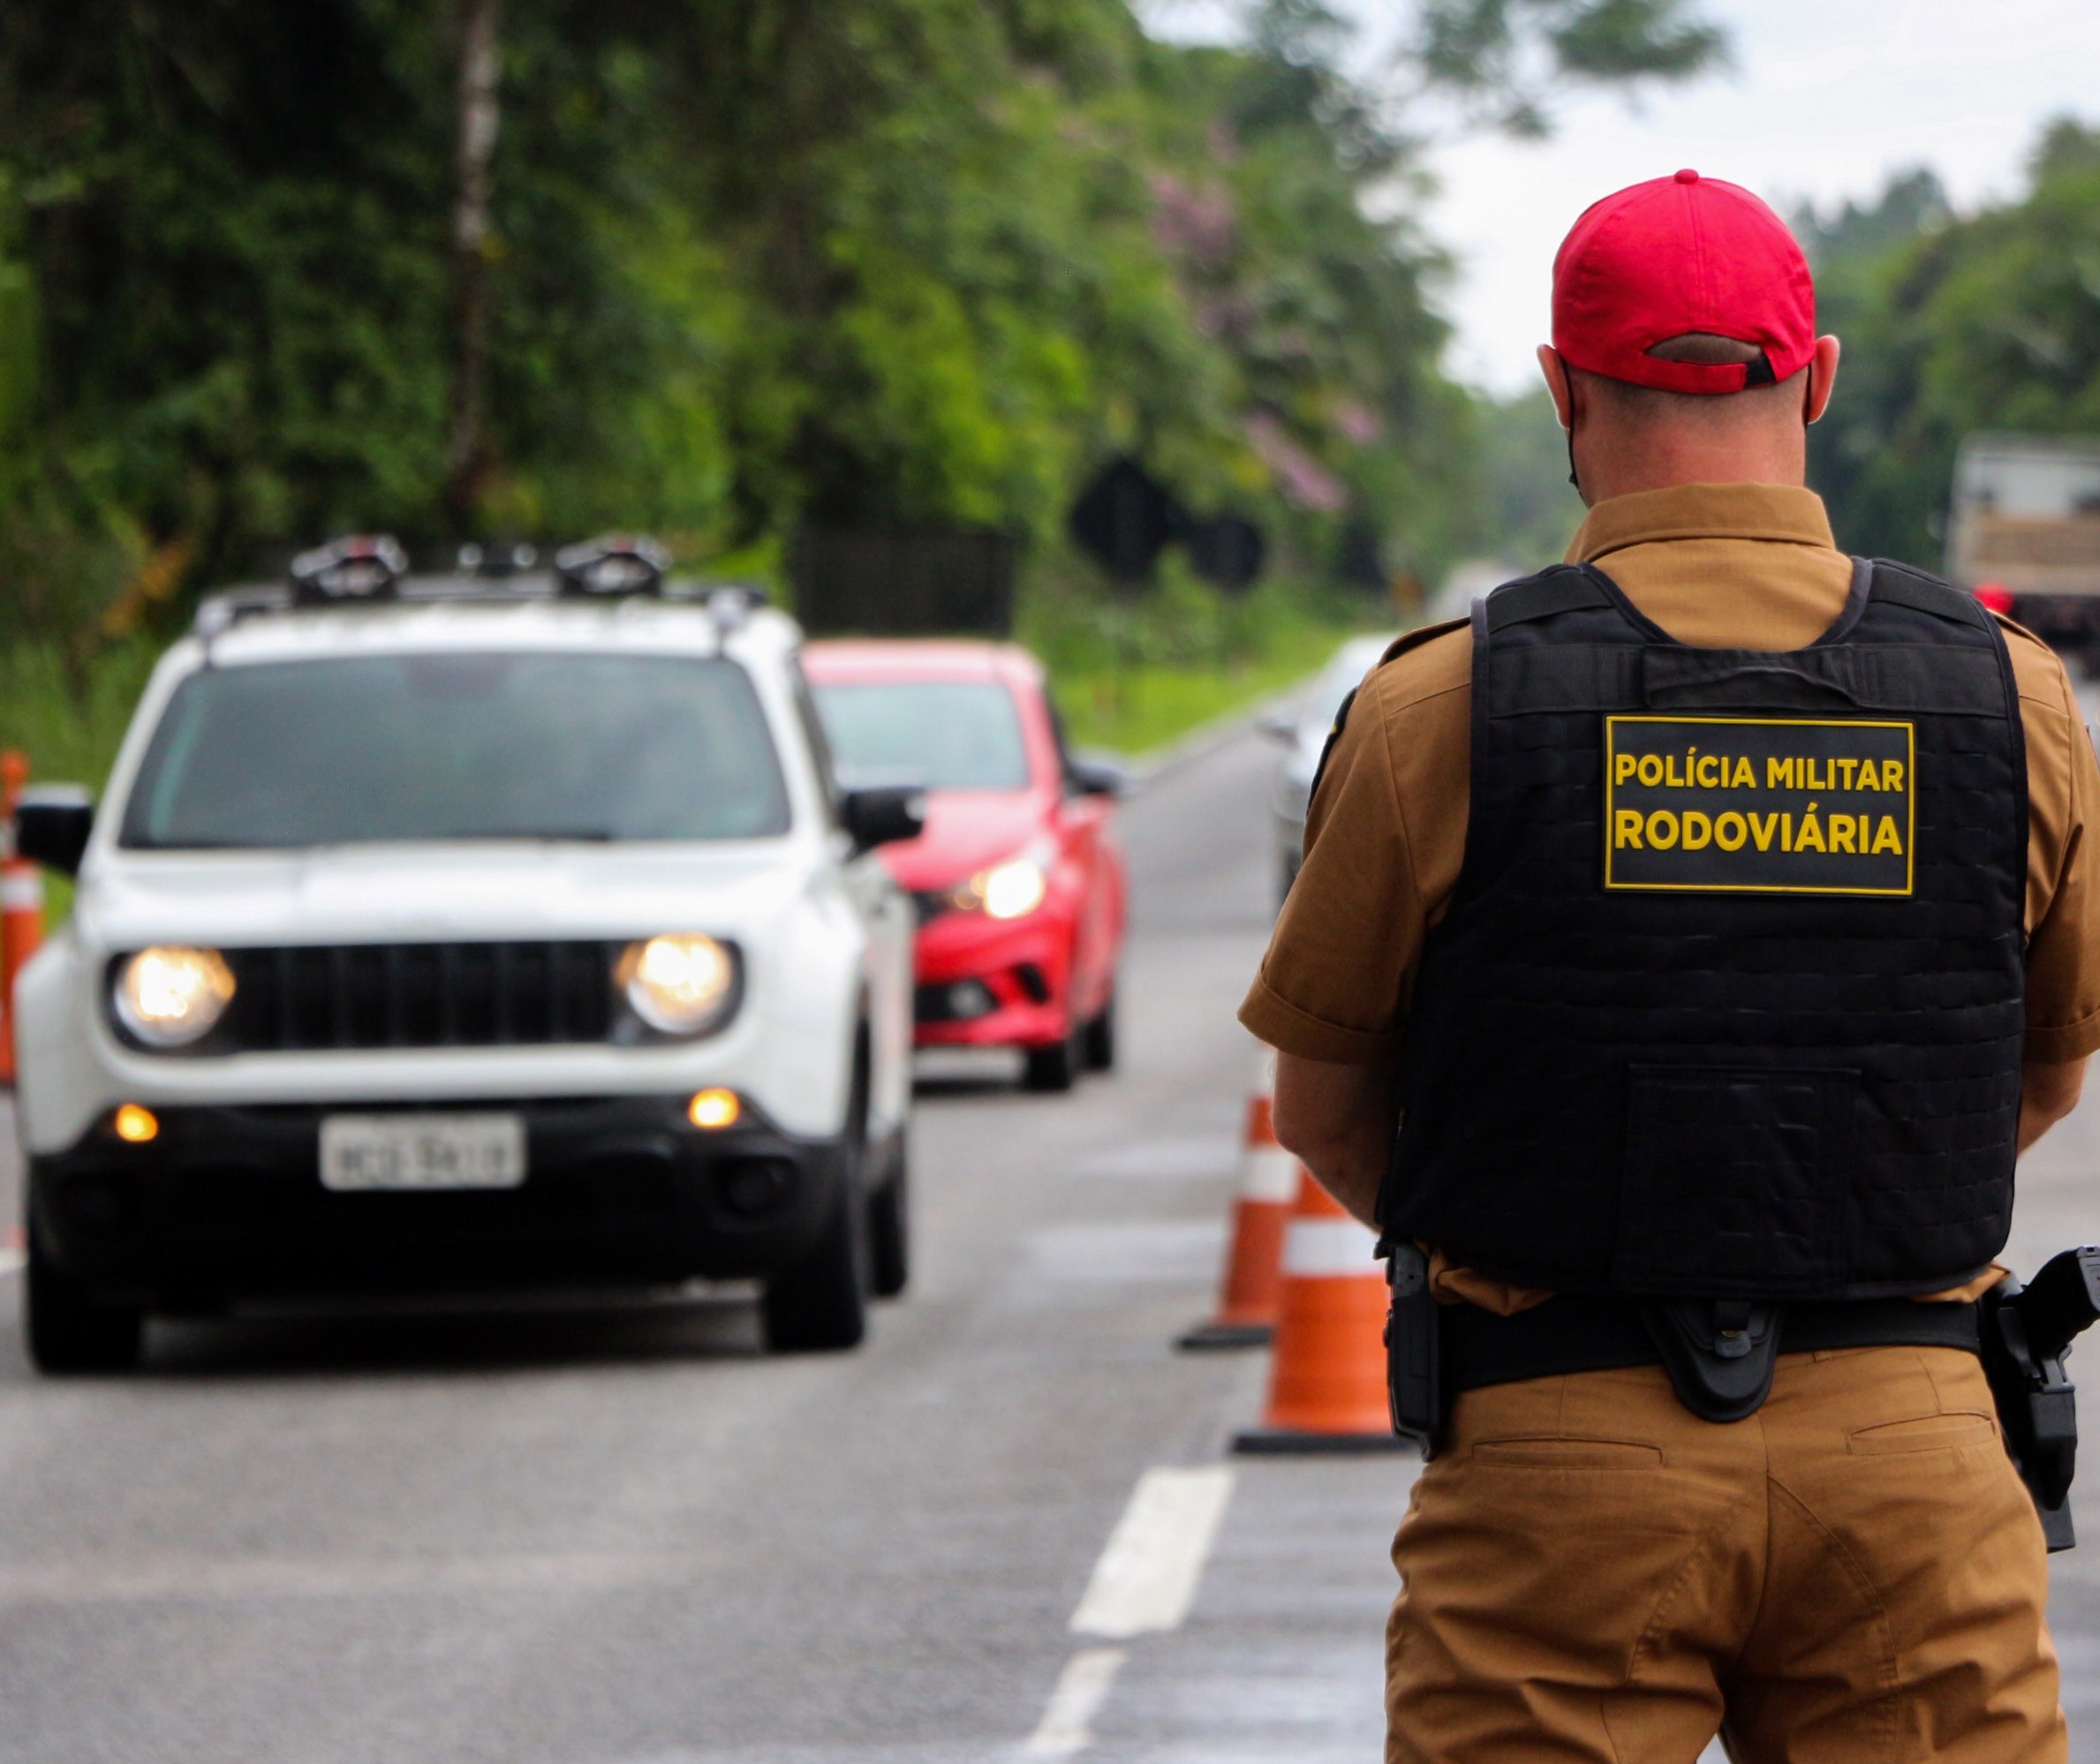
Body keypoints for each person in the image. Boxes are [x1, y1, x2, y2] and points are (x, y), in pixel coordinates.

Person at [1239, 168, 2100, 1762]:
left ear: (1560, 387)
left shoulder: (1443, 707)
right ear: (1818, 375)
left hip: (1554, 1455)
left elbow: (1327, 1110)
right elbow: (2040, 1073)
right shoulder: (2013, 699)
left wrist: (1564, 1213)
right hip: (1916, 1458)